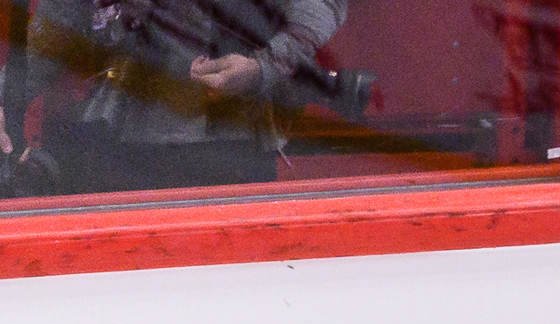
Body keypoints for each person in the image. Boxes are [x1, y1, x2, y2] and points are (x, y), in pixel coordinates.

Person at [0, 0, 349, 194]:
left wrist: (265, 66)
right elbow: (54, 31)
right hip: (110, 147)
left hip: (223, 147)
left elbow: (318, 5)